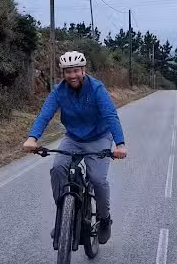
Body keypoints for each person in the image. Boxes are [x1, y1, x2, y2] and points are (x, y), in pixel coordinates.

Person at [23, 51, 127, 244]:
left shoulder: (97, 89)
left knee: (97, 178)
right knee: (57, 169)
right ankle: (64, 216)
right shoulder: (59, 91)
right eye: (68, 71)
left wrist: (120, 144)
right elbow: (45, 115)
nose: (72, 75)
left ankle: (104, 220)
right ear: (63, 73)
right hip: (73, 138)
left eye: (76, 71)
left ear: (83, 70)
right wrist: (32, 138)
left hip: (99, 137)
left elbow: (111, 115)